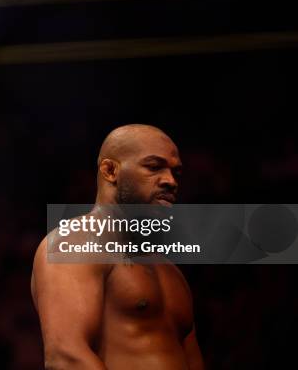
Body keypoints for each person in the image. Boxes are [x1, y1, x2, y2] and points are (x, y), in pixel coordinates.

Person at [31, 124, 204, 369]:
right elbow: (66, 357)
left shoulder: (170, 270)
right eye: (154, 167)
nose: (170, 181)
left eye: (176, 172)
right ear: (110, 170)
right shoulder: (72, 245)